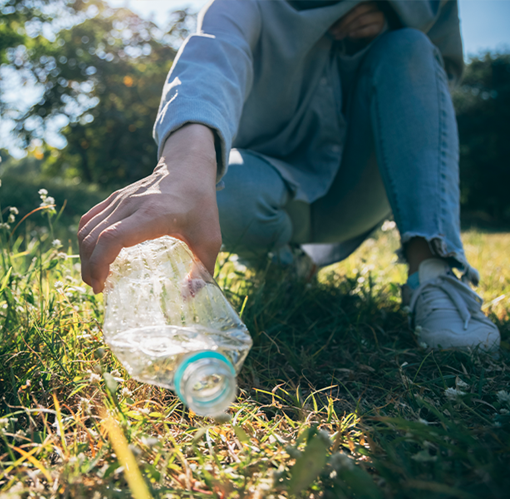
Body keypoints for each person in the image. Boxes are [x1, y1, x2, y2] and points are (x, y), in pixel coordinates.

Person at [77, 0, 500, 351]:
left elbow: (438, 74)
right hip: (273, 181)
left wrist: (393, 25)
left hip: (365, 182)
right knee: (218, 193)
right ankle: (285, 261)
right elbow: (211, 55)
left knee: (409, 46)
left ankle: (434, 273)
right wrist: (182, 170)